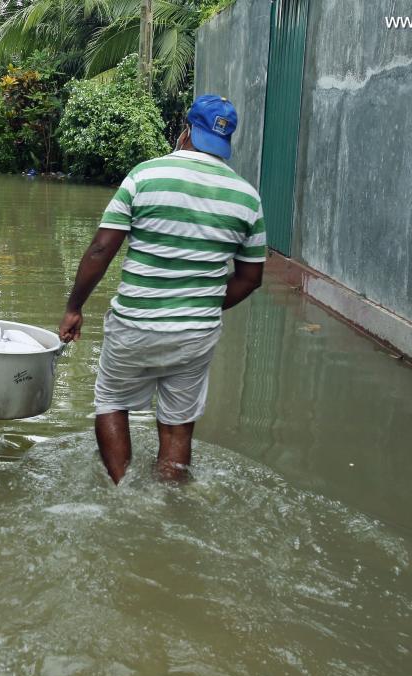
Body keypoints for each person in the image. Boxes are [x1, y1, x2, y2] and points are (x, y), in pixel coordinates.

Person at [58, 94, 266, 484]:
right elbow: (251, 278)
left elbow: (102, 248)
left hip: (135, 324)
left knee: (112, 403)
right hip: (196, 333)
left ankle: (123, 492)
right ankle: (165, 501)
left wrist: (74, 307)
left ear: (185, 131)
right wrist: (202, 306)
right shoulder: (247, 197)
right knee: (177, 425)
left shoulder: (145, 176)